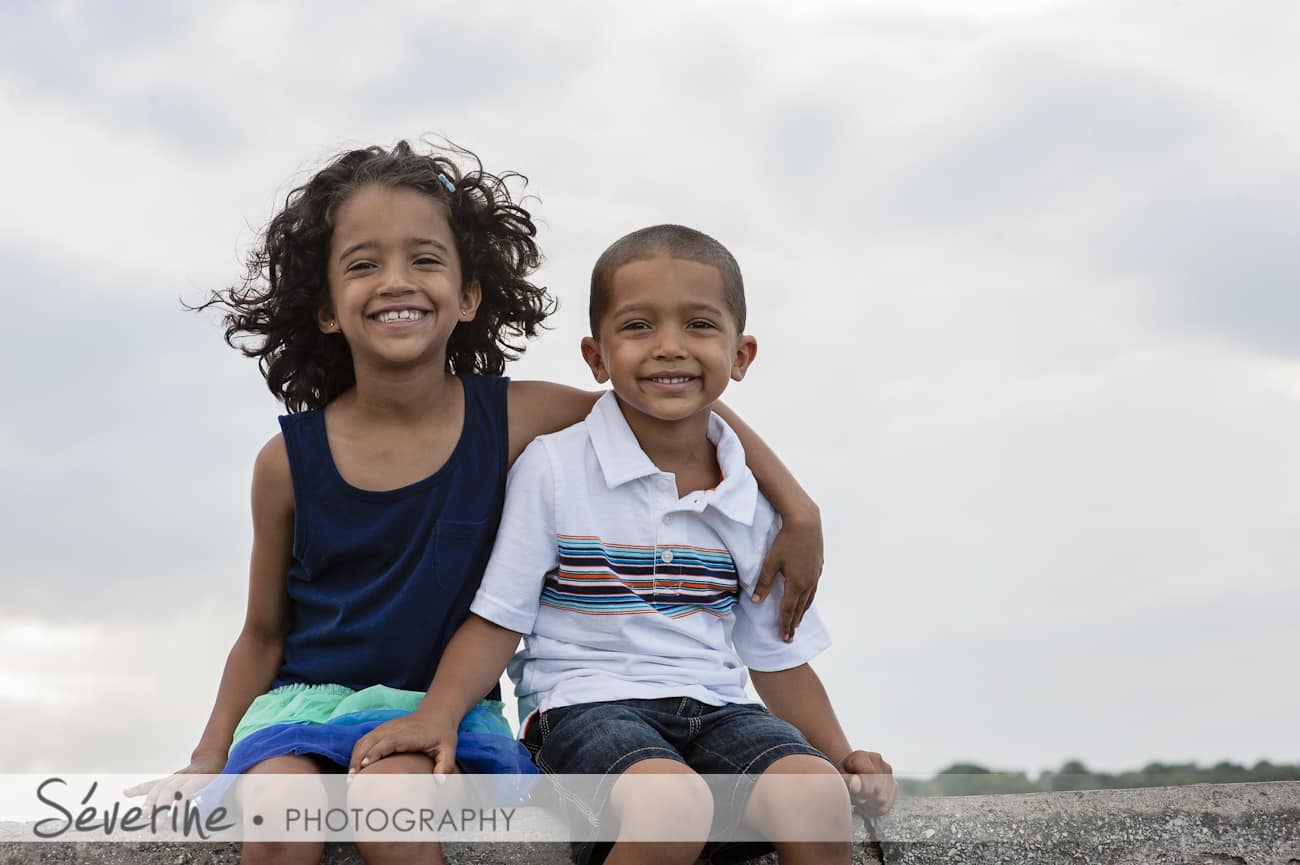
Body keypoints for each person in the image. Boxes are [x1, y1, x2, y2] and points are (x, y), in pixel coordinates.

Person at [126, 145, 826, 865]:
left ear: (468, 295)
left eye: (425, 259)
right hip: (301, 711)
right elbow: (263, 634)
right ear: (325, 307)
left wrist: (797, 509)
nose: (395, 281)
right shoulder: (286, 465)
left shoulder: (518, 418)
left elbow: (667, 403)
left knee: (390, 809)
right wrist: (206, 757)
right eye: (363, 264)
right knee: (277, 825)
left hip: (438, 709)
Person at [349, 224, 896, 865]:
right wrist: (437, 714)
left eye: (699, 325)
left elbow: (777, 656)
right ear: (596, 357)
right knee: (671, 806)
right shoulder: (554, 467)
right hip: (582, 707)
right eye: (638, 327)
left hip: (719, 709)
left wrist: (840, 755)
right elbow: (499, 617)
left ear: (741, 355)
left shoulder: (750, 497)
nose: (669, 348)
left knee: (817, 798)